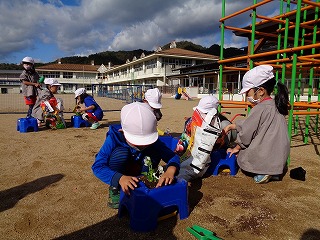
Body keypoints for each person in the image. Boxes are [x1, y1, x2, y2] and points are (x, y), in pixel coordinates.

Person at [92, 102, 180, 209]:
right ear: (122, 132)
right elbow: (98, 166)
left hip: (141, 168)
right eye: (137, 141)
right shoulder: (114, 138)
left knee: (153, 152)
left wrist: (170, 170)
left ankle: (145, 182)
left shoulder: (154, 142)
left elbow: (172, 156)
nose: (142, 145)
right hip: (123, 171)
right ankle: (116, 188)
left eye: (146, 141)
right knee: (120, 153)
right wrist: (120, 178)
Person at [224, 65, 290, 184]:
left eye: (248, 92)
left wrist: (237, 147)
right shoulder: (275, 105)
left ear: (260, 91)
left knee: (242, 155)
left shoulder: (259, 108)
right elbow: (255, 124)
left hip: (264, 157)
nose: (246, 96)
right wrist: (234, 125)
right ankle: (273, 171)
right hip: (279, 158)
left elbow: (247, 133)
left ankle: (263, 171)